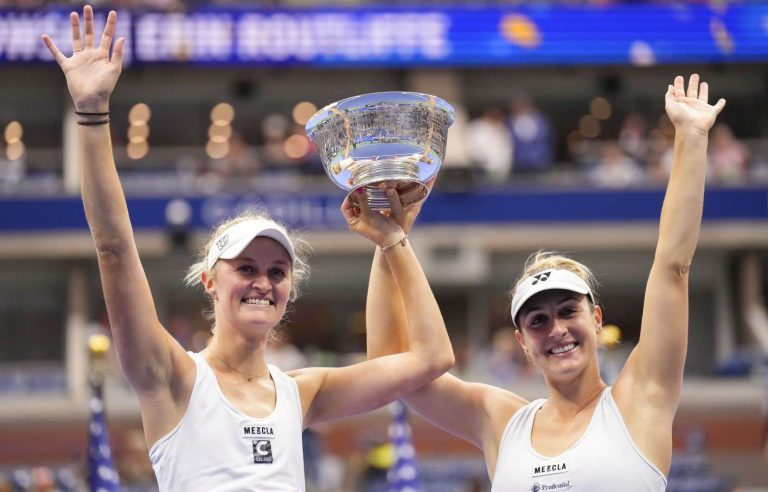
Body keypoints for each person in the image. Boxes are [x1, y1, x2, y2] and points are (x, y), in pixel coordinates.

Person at [42, 7, 454, 491]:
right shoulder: (172, 377)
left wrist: (392, 240)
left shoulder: (301, 392)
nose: (263, 282)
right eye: (247, 267)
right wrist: (92, 116)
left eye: (278, 272)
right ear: (210, 282)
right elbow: (113, 247)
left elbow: (432, 357)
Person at [366, 74, 725, 490]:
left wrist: (691, 137)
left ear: (596, 319)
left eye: (568, 311)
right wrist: (388, 240)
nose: (556, 329)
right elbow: (389, 366)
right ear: (522, 341)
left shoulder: (639, 399)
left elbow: (672, 266)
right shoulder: (502, 422)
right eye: (537, 320)